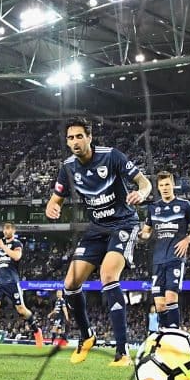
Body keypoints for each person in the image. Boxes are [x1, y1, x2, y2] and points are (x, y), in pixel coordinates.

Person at [46, 116, 152, 366]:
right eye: (70, 137)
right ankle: (86, 336)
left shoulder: (111, 156)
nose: (75, 141)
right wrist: (52, 207)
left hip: (124, 224)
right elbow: (55, 198)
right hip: (96, 229)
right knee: (70, 283)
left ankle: (122, 351)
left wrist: (142, 193)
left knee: (107, 275)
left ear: (90, 137)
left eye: (79, 136)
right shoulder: (67, 167)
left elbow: (144, 182)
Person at [138, 171, 190, 330]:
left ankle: (174, 334)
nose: (165, 188)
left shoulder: (184, 205)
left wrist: (187, 240)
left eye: (167, 184)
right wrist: (141, 235)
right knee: (159, 304)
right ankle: (164, 334)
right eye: (161, 185)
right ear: (158, 188)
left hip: (175, 257)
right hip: (158, 259)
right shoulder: (153, 208)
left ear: (173, 185)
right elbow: (146, 232)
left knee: (171, 297)